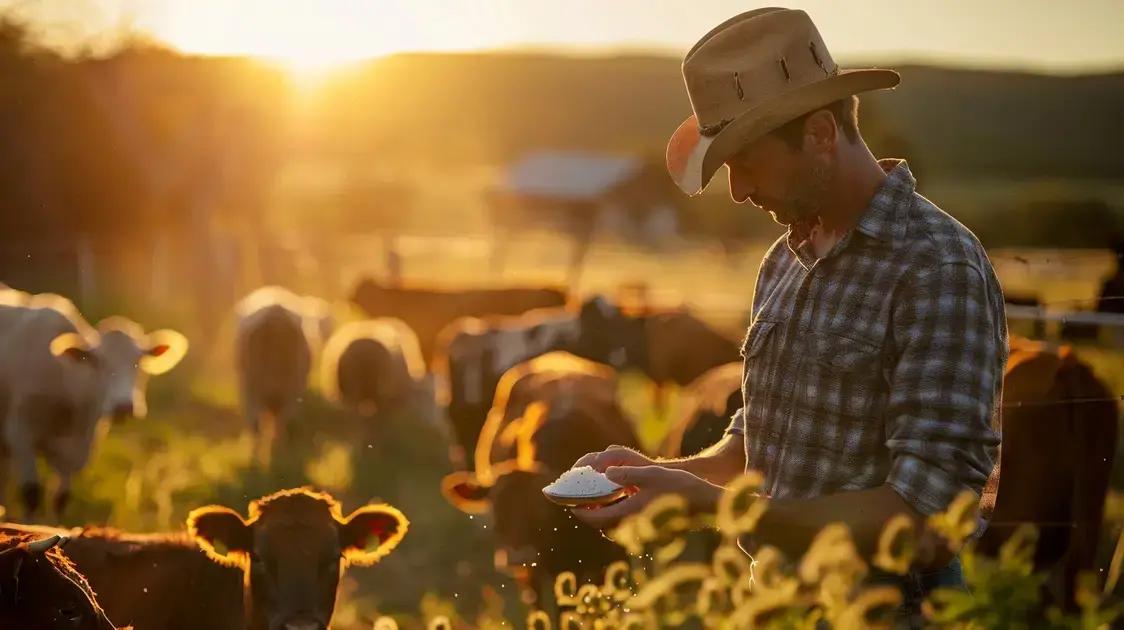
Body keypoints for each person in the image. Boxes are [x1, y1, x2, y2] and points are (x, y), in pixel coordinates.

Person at [570, 8, 1007, 622]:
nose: (738, 191)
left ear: (821, 133)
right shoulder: (784, 260)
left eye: (746, 162)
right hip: (778, 604)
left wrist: (706, 504)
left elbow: (926, 514)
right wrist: (656, 474)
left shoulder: (937, 267)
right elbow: (759, 447)